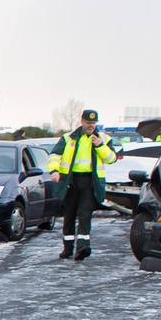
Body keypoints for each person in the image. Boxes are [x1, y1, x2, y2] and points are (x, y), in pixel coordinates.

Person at [46, 109, 118, 260]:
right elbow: (55, 155)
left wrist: (100, 146)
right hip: (70, 181)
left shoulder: (103, 138)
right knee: (69, 215)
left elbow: (112, 158)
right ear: (82, 121)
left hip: (90, 182)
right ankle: (68, 249)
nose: (91, 125)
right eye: (88, 122)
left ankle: (83, 247)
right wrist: (53, 170)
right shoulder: (68, 138)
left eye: (93, 123)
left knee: (85, 214)